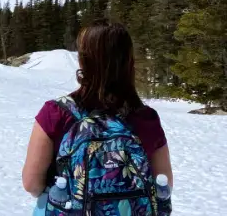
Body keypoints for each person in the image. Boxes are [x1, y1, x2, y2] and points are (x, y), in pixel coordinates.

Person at [22, 20, 173, 215]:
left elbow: (31, 183)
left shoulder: (56, 112)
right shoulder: (145, 118)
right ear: (129, 61)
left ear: (85, 60)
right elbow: (164, 183)